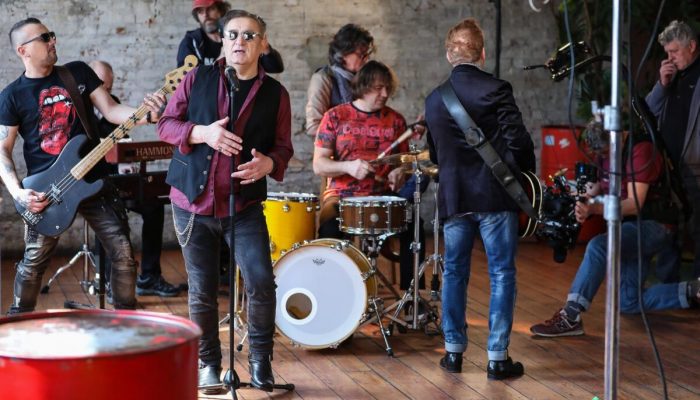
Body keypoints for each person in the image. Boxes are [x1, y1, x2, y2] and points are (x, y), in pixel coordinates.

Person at [158, 9, 293, 394]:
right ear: (223, 41)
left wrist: (269, 163)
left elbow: (283, 147)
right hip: (192, 203)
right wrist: (202, 133)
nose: (240, 41)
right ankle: (208, 365)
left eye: (249, 35)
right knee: (202, 289)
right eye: (233, 34)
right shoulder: (197, 78)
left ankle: (260, 362)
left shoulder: (276, 94)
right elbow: (166, 124)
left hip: (243, 206)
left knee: (261, 282)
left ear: (263, 45)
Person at [0, 18, 165, 313]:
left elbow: (111, 111)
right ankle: (18, 320)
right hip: (47, 192)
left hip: (93, 179)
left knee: (123, 253)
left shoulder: (76, 73)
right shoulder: (12, 96)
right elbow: (2, 149)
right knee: (33, 263)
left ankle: (126, 318)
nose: (53, 41)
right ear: (23, 50)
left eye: (52, 35)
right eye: (44, 38)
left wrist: (149, 115)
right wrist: (18, 193)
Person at [424, 18, 535, 379]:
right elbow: (518, 141)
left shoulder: (434, 99)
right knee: (501, 273)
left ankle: (453, 353)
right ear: (482, 54)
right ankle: (497, 357)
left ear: (448, 55)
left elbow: (435, 155)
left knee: (455, 272)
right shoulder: (497, 89)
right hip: (495, 196)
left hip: (455, 198)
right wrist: (524, 174)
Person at [529, 126, 700, 338]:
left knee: (599, 246)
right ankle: (694, 290)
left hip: (656, 226)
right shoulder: (606, 153)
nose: (603, 157)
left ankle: (571, 315)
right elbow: (595, 188)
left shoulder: (641, 150)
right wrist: (575, 196)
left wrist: (595, 209)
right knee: (629, 302)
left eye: (604, 152)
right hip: (629, 228)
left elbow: (635, 204)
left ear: (616, 136)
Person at [313, 60, 426, 292]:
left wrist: (400, 171)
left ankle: (413, 298)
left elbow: (404, 161)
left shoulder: (395, 120)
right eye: (378, 88)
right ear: (362, 86)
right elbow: (319, 164)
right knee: (329, 228)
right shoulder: (335, 116)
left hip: (382, 197)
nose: (385, 94)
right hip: (342, 196)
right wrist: (348, 167)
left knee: (415, 226)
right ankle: (331, 293)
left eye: (387, 88)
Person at [89, 60, 184, 298]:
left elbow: (123, 146)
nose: (105, 93)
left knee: (154, 207)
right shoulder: (80, 109)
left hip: (118, 180)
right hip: (93, 184)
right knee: (107, 214)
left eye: (109, 87)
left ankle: (150, 276)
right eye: (101, 87)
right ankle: (109, 281)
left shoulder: (114, 104)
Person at [645, 20, 700, 281]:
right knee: (669, 231)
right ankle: (668, 290)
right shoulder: (672, 76)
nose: (670, 58)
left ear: (692, 46)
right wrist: (662, 84)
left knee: (698, 231)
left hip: (696, 169)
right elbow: (647, 113)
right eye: (667, 53)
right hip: (668, 168)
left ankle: (697, 291)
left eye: (675, 51)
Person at [305, 23, 374, 138]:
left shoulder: (363, 79)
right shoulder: (323, 78)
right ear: (343, 54)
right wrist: (351, 136)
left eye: (367, 54)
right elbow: (314, 127)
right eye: (361, 55)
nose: (366, 59)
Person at [177, 0, 283, 73]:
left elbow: (276, 68)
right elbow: (187, 82)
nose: (206, 15)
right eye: (200, 11)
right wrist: (220, 60)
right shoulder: (191, 42)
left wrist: (265, 47)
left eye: (211, 9)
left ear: (221, 10)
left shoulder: (240, 37)